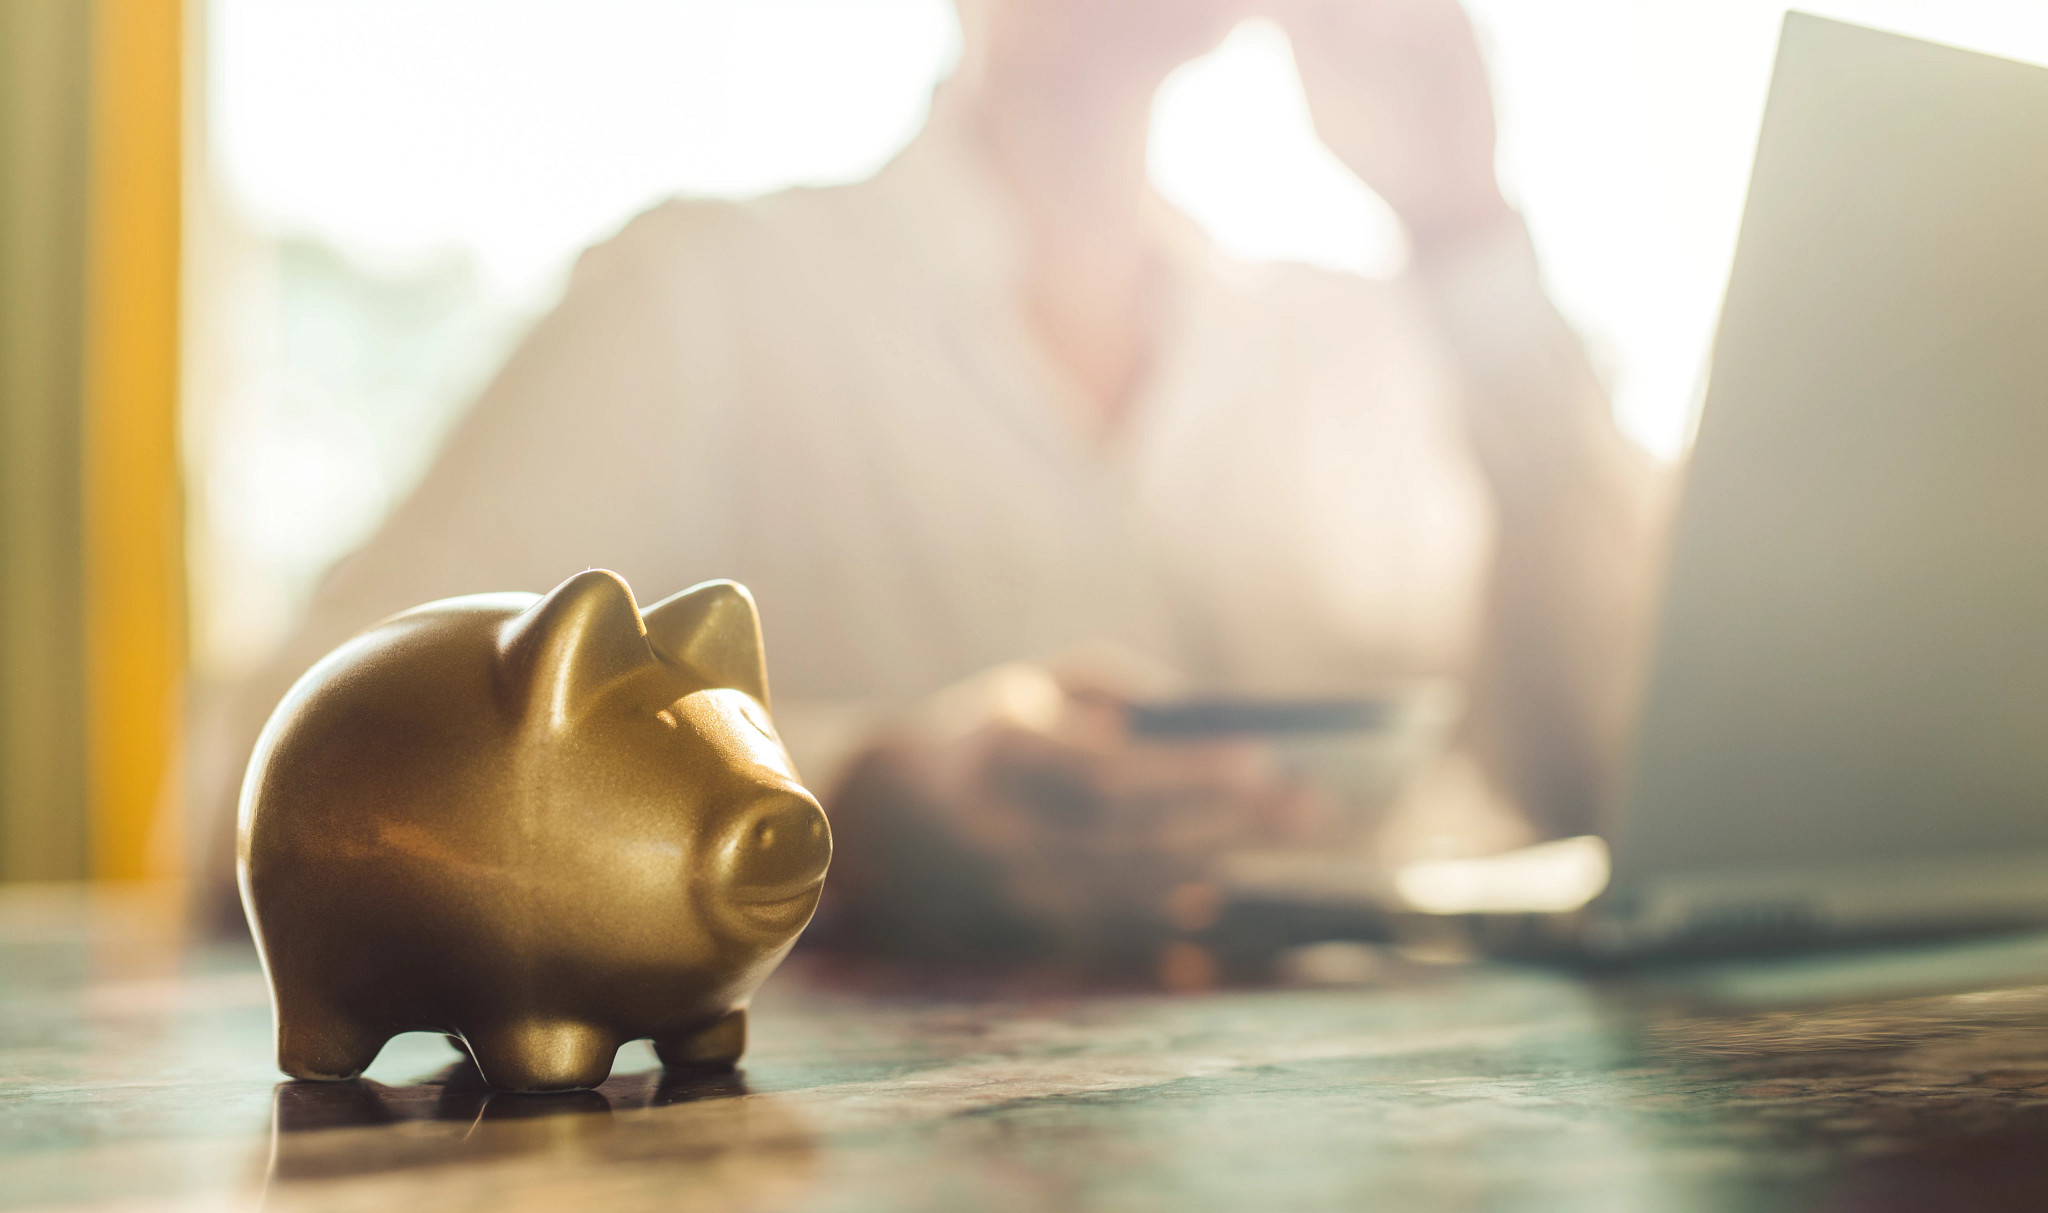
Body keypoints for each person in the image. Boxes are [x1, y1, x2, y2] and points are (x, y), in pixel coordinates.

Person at [198, 0, 1665, 969]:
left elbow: (1641, 781)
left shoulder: (1384, 338)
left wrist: (1466, 223)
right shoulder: (707, 297)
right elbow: (282, 782)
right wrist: (850, 805)